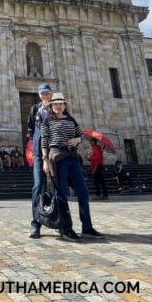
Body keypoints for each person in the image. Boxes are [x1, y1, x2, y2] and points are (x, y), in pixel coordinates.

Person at [41, 92, 103, 241]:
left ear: (64, 105)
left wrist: (77, 140)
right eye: (55, 104)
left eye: (61, 103)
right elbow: (44, 141)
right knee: (61, 193)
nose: (58, 106)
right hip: (57, 158)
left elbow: (81, 135)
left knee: (83, 191)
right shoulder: (47, 121)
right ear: (51, 106)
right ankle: (65, 228)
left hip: (73, 158)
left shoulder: (71, 119)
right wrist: (45, 161)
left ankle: (87, 227)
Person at [27, 83, 53, 239]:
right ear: (39, 95)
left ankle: (58, 221)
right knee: (37, 187)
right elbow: (30, 129)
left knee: (56, 188)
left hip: (55, 152)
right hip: (38, 153)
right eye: (42, 93)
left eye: (47, 93)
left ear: (51, 94)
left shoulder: (57, 106)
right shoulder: (34, 109)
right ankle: (35, 223)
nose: (45, 96)